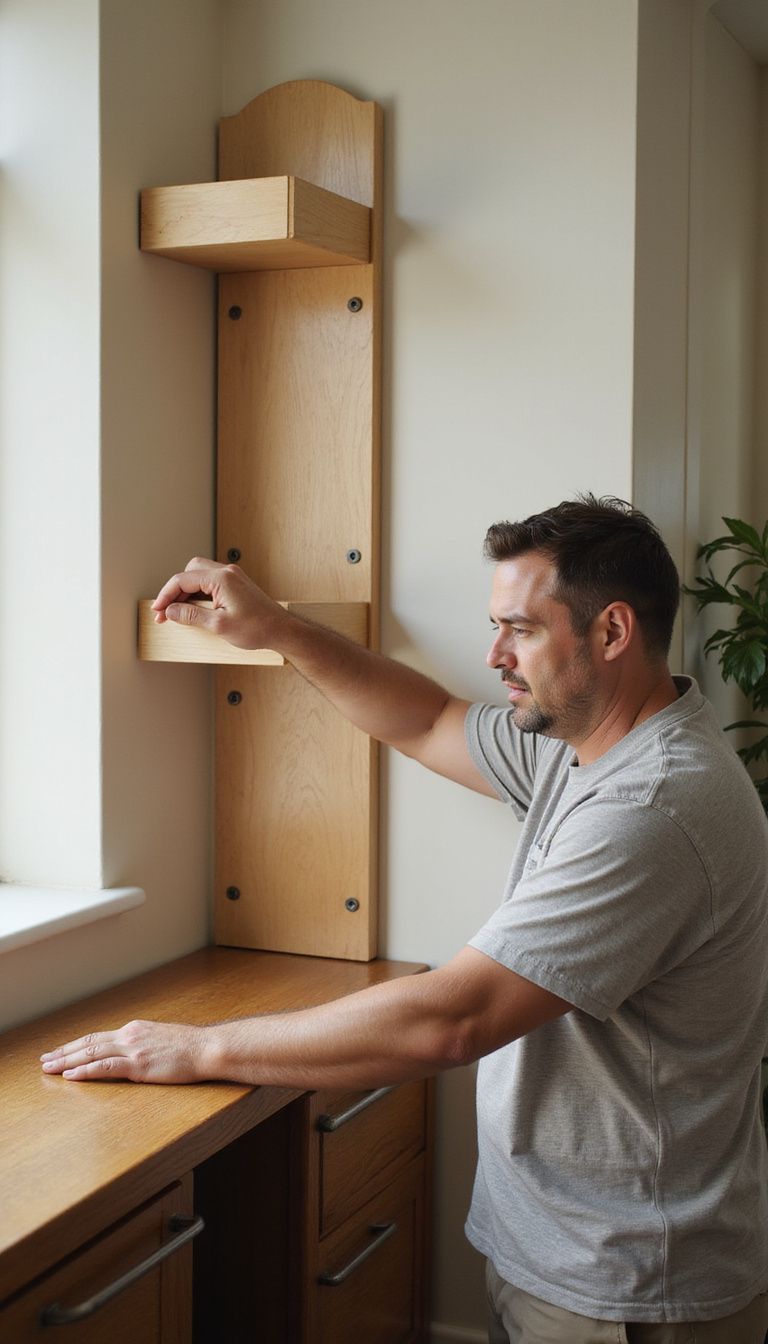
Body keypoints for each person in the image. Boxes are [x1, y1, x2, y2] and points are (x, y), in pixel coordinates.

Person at [41, 496, 768, 1343]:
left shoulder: (652, 806)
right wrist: (277, 627)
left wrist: (197, 1046)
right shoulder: (592, 744)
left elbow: (454, 1020)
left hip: (628, 1287)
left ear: (610, 632)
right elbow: (428, 720)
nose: (494, 653)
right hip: (576, 1256)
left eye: (520, 630)